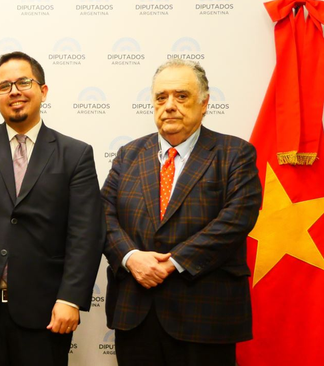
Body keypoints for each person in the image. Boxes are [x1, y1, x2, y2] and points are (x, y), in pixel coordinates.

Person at [0, 51, 105, 366]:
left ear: (43, 90)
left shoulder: (75, 154)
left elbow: (86, 233)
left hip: (46, 312)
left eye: (23, 82)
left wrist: (70, 298)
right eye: (4, 86)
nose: (14, 91)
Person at [102, 59, 262, 366]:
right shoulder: (128, 155)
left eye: (181, 96)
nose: (170, 105)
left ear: (204, 103)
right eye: (161, 97)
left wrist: (173, 262)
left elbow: (236, 220)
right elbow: (103, 215)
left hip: (205, 316)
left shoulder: (235, 154)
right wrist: (131, 257)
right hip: (136, 315)